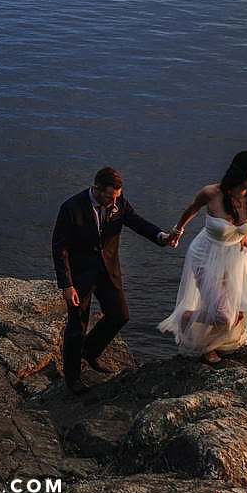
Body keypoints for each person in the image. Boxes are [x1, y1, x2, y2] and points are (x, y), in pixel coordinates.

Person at [51, 166, 180, 394]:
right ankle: (73, 379)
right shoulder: (71, 208)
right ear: (96, 189)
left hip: (109, 271)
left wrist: (162, 237)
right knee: (76, 327)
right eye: (110, 197)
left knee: (120, 315)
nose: (114, 202)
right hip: (80, 276)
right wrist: (67, 285)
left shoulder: (118, 202)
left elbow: (137, 222)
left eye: (117, 198)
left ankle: (89, 351)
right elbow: (59, 249)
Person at [158, 150, 247, 363]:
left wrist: (243, 236)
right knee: (223, 316)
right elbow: (191, 210)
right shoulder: (212, 193)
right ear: (240, 173)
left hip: (235, 258)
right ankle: (188, 321)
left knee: (240, 313)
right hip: (206, 256)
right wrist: (177, 232)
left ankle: (208, 343)